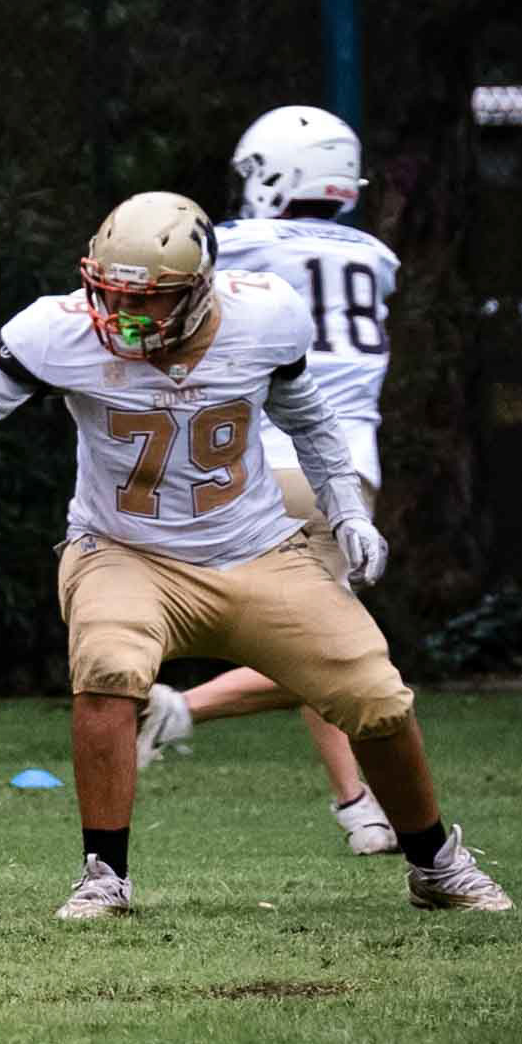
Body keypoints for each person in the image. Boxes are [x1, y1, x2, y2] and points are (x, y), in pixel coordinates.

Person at [0, 190, 510, 918]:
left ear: (200, 289)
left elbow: (310, 421)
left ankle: (435, 864)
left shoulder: (263, 318)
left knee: (376, 695)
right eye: (110, 292)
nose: (120, 313)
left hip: (257, 548)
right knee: (109, 666)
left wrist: (348, 510)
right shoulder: (62, 328)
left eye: (147, 299)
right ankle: (104, 875)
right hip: (123, 550)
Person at [136, 107, 400, 856]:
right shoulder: (377, 256)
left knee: (327, 641)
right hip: (341, 468)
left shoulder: (242, 242)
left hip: (264, 460)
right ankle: (359, 805)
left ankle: (357, 804)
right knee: (334, 643)